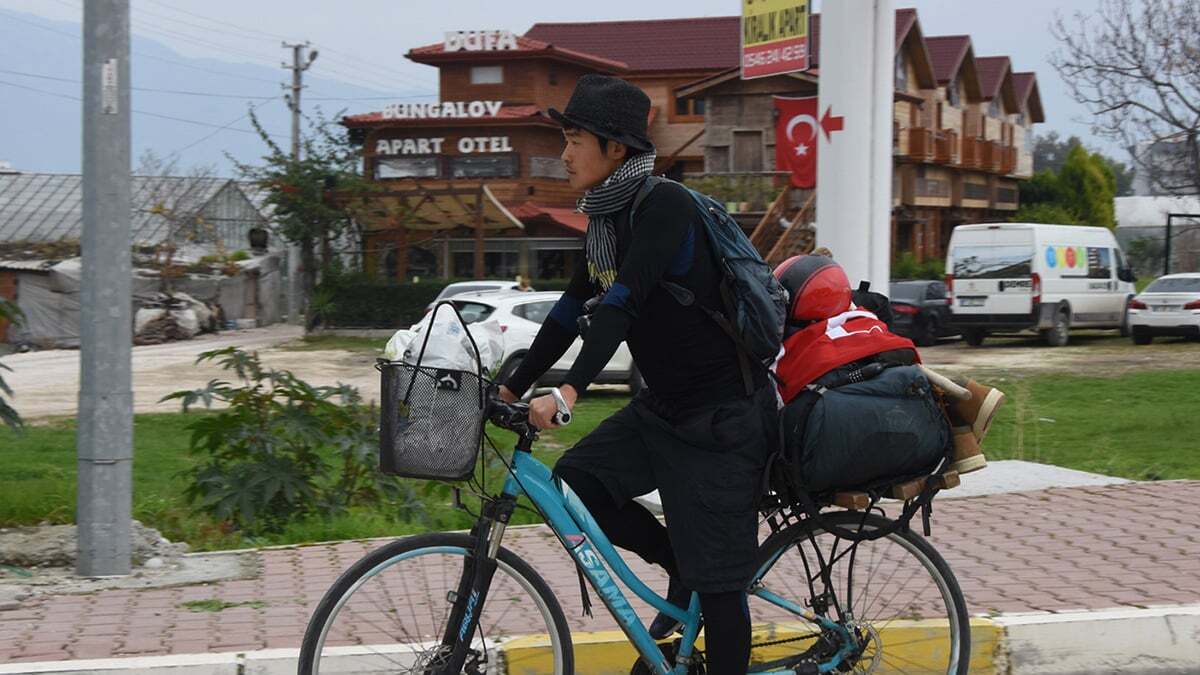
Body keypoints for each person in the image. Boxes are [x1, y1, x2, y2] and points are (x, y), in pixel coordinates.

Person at [498, 74, 775, 674]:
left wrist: (570, 389)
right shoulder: (603, 223)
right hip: (667, 409)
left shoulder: (663, 206)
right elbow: (573, 310)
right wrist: (511, 387)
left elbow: (621, 303)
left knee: (721, 586)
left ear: (616, 149)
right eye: (564, 139)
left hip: (723, 417)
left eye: (575, 140)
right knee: (578, 485)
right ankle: (678, 564)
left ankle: (698, 580)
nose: (564, 153)